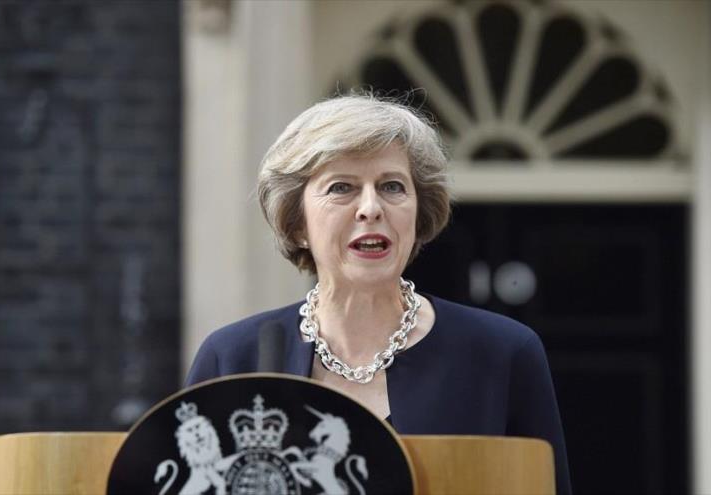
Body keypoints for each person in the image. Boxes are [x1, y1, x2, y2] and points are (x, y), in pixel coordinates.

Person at [186, 94, 571, 494]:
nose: (371, 208)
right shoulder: (231, 356)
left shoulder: (503, 352)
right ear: (297, 223)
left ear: (418, 215)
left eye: (391, 186)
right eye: (342, 188)